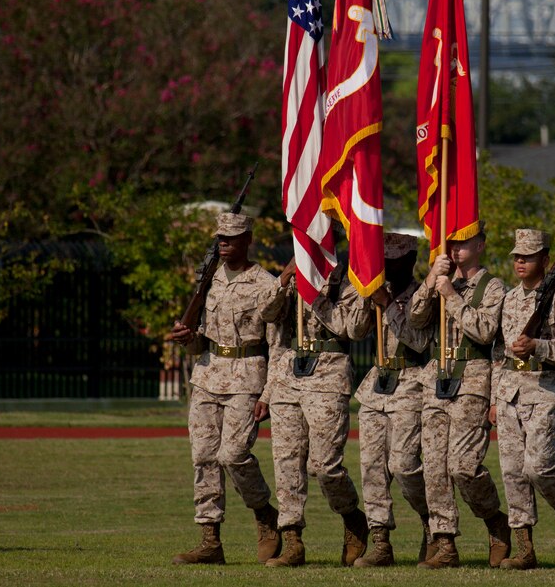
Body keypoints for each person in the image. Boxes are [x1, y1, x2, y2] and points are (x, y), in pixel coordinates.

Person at [169, 211, 288, 566]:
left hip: (247, 377)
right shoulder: (208, 281)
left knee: (233, 455)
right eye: (220, 237)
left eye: (232, 238)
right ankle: (210, 540)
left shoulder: (266, 284)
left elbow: (278, 345)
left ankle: (265, 515)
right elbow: (199, 340)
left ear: (248, 240)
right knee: (203, 458)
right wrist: (186, 338)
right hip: (207, 375)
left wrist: (268, 393)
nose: (224, 243)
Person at [258, 252, 373, 567]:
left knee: (324, 465)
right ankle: (293, 541)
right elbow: (267, 313)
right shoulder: (294, 275)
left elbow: (355, 328)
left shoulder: (349, 278)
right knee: (286, 463)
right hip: (288, 375)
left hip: (329, 374)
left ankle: (352, 518)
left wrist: (315, 295)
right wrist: (284, 279)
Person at [408, 223, 512, 569]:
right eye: (451, 242)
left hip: (472, 381)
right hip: (437, 380)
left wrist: (451, 296)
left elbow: (484, 331)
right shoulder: (441, 281)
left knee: (462, 467)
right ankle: (445, 542)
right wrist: (429, 282)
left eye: (464, 242)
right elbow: (415, 320)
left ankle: (495, 521)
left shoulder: (493, 287)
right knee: (434, 468)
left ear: (481, 244)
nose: (455, 249)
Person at [492, 228, 555, 569]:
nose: (519, 261)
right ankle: (524, 549)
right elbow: (496, 353)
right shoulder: (508, 300)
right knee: (513, 472)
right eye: (517, 255)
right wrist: (493, 398)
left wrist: (539, 346)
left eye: (527, 256)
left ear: (545, 260)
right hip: (509, 392)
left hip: (544, 391)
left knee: (539, 468)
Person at [351, 232, 433, 567]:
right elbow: (355, 332)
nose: (387, 266)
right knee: (371, 466)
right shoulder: (377, 293)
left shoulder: (424, 298)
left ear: (411, 261)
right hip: (377, 385)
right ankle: (381, 541)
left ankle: (433, 522)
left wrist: (390, 307)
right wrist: (367, 298)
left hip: (411, 383)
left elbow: (418, 341)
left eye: (394, 260)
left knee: (403, 465)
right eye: (383, 260)